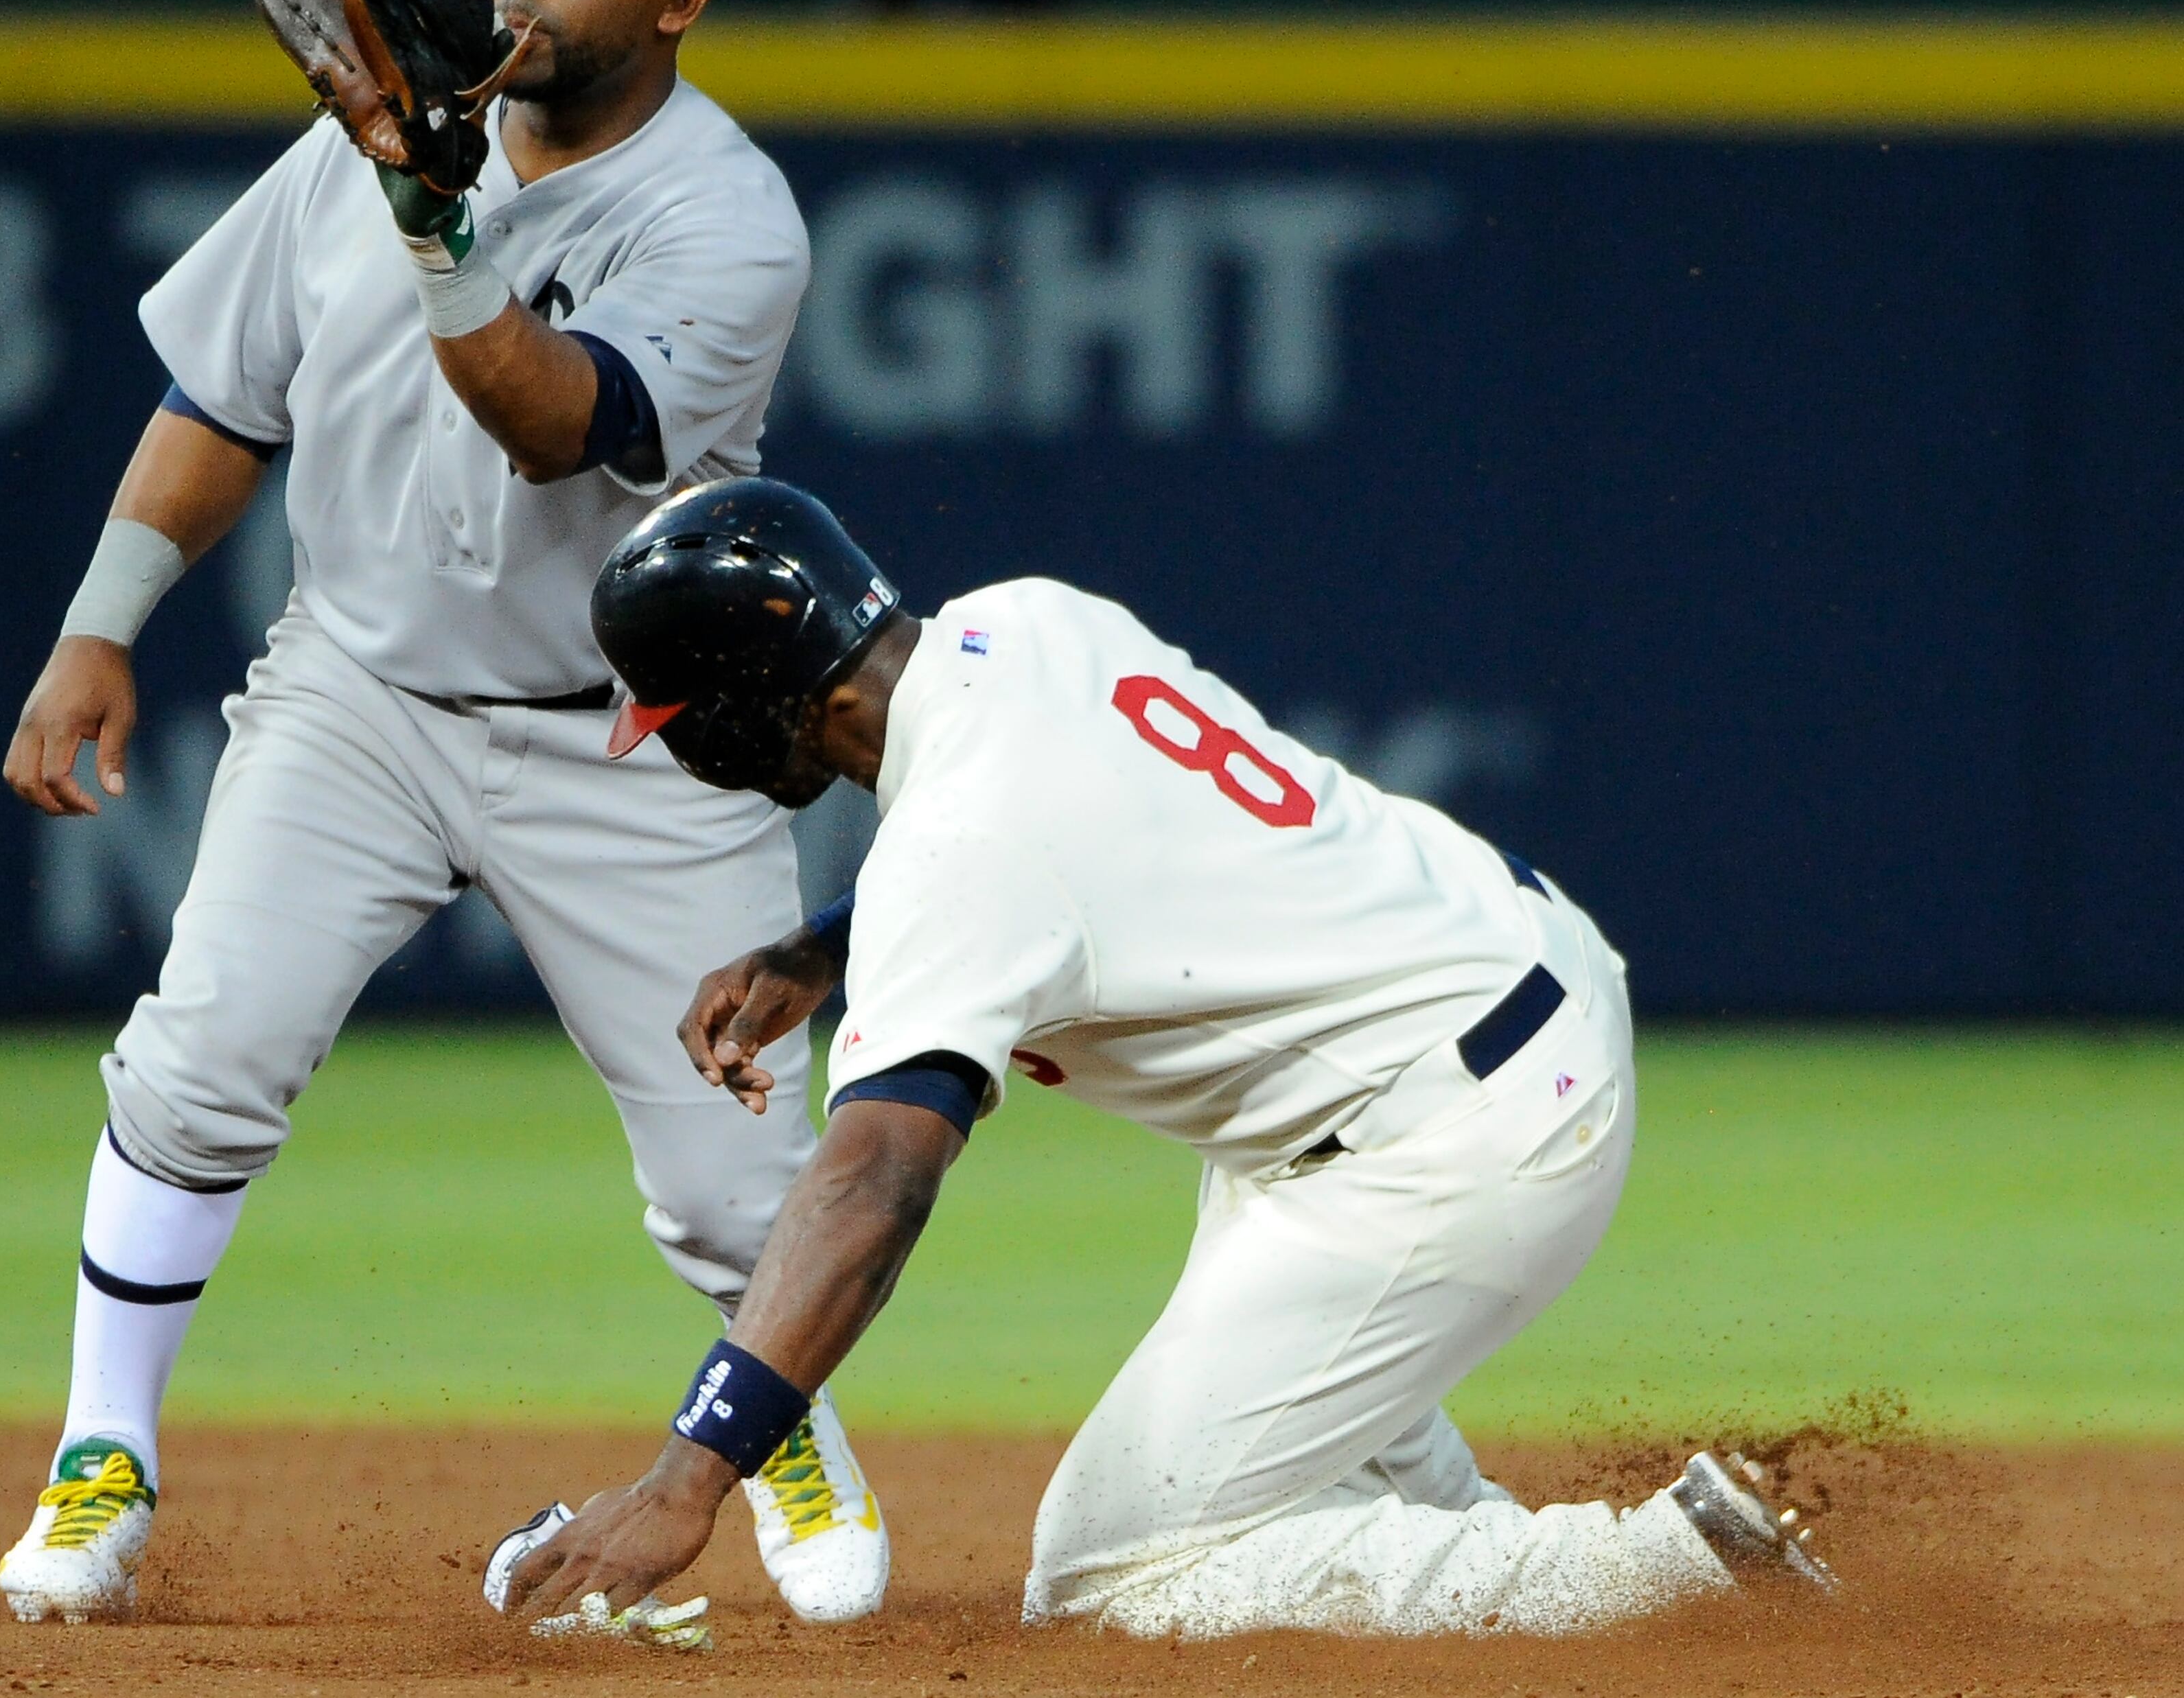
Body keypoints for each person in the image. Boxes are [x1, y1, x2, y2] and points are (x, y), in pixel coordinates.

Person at [0, 0, 886, 1630]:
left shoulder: (728, 213)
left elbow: (555, 417)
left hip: (635, 731)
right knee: (200, 1055)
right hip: (361, 688)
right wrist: (100, 623)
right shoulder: (365, 151)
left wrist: (427, 202)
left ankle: (781, 1423)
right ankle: (101, 1453)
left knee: (736, 1181)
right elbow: (222, 400)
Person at [500, 476, 1839, 1640]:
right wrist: (823, 953)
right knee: (1315, 1485)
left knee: (1112, 1575)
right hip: (1496, 975)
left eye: (678, 713)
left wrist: (690, 1477)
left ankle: (1672, 1568)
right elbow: (1061, 834)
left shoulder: (956, 852)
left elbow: (872, 1187)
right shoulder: (1022, 620)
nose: (675, 742)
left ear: (750, 702)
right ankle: (1498, 1584)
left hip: (1449, 1138)